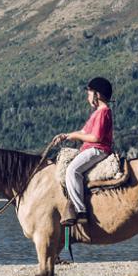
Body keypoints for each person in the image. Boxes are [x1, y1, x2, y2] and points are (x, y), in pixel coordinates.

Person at [53, 77, 114, 225]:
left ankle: (81, 211)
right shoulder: (97, 113)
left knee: (72, 170)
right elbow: (83, 131)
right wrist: (67, 136)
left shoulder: (103, 112)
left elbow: (95, 137)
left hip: (98, 149)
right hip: (93, 148)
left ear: (97, 95)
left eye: (89, 93)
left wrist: (75, 136)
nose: (88, 96)